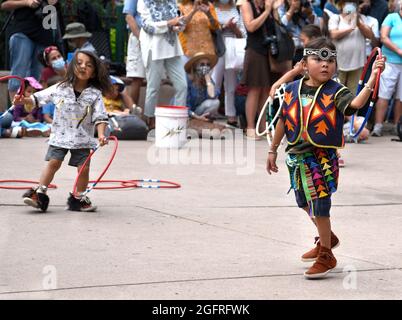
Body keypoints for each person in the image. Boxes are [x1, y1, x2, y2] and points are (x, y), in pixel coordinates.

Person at [266, 37, 385, 279]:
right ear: (304, 64)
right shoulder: (292, 89)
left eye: (330, 60)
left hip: (321, 157)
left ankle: (327, 254)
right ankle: (327, 237)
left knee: (321, 204)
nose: (325, 65)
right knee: (302, 201)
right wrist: (273, 149)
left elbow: (355, 103)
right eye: (317, 59)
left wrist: (372, 78)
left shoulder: (336, 91)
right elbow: (283, 120)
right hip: (297, 157)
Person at [14, 50, 111, 213]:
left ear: (94, 72)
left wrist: (101, 134)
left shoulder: (95, 94)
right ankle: (39, 193)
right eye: (79, 63)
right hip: (59, 136)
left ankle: (79, 198)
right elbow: (36, 99)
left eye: (88, 65)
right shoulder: (60, 88)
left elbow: (101, 117)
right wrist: (23, 100)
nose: (83, 67)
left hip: (83, 139)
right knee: (53, 163)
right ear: (72, 66)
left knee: (84, 168)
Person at [137, 0, 189, 131]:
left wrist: (178, 25)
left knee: (182, 85)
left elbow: (179, 26)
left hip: (172, 47)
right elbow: (148, 27)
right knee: (153, 87)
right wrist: (170, 23)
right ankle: (150, 122)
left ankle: (177, 123)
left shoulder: (172, 1)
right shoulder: (143, 2)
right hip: (152, 47)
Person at [1, 0, 62, 100]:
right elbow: (4, 4)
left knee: (36, 76)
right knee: (19, 70)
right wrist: (27, 2)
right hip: (23, 31)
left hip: (44, 36)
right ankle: (15, 108)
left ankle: (29, 110)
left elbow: (54, 10)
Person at [241, 0, 276, 139]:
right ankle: (250, 127)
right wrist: (267, 12)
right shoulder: (246, 4)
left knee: (266, 90)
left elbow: (276, 26)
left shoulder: (266, 5)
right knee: (255, 89)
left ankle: (263, 126)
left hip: (268, 53)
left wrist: (272, 10)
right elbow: (250, 26)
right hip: (254, 51)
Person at [328, 0, 375, 95]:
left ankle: (350, 110)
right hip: (339, 64)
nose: (351, 5)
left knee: (352, 94)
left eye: (353, 3)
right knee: (335, 92)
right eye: (347, 2)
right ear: (341, 5)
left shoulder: (362, 19)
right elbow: (333, 35)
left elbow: (370, 35)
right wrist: (351, 28)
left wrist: (357, 22)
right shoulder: (335, 18)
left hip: (357, 63)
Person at [212, 0, 247, 127]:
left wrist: (234, 28)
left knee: (231, 84)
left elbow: (243, 33)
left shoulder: (237, 9)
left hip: (233, 47)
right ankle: (210, 112)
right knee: (215, 80)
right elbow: (210, 29)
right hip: (217, 47)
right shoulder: (212, 8)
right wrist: (224, 27)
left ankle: (231, 116)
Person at [372, 2, 402, 137]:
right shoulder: (392, 17)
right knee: (384, 93)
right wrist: (399, 51)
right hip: (389, 61)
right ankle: (378, 126)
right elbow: (383, 37)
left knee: (401, 97)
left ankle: (398, 126)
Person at [123, 0, 146, 109]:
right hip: (139, 35)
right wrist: (141, 38)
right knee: (137, 78)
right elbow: (129, 17)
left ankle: (151, 119)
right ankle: (132, 116)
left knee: (155, 79)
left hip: (157, 37)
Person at [185, 52, 220, 120]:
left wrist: (207, 79)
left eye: (208, 65)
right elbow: (184, 105)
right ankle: (197, 120)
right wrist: (195, 116)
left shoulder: (208, 79)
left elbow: (212, 95)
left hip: (198, 111)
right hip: (186, 113)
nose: (205, 67)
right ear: (195, 66)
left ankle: (202, 120)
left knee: (216, 102)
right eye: (202, 64)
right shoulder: (187, 79)